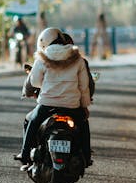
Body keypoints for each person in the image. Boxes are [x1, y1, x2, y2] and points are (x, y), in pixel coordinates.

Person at [16, 27, 93, 168]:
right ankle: (86, 157)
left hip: (47, 104)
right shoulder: (77, 58)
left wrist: (45, 85)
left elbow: (34, 82)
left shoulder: (42, 57)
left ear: (45, 42)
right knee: (83, 124)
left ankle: (25, 154)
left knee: (32, 122)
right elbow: (84, 87)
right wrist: (84, 105)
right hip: (72, 106)